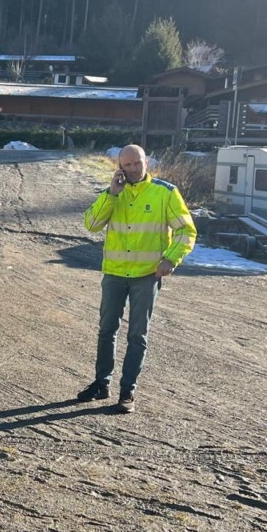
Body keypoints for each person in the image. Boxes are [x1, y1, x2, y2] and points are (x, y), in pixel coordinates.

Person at [78, 145, 196, 413]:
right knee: (106, 330)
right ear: (119, 167)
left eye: (137, 163)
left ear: (147, 163)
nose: (133, 169)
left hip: (147, 275)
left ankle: (127, 391)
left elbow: (186, 231)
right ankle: (101, 383)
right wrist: (112, 194)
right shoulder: (112, 193)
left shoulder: (165, 193)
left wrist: (171, 259)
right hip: (115, 273)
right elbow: (92, 224)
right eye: (127, 165)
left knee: (137, 335)